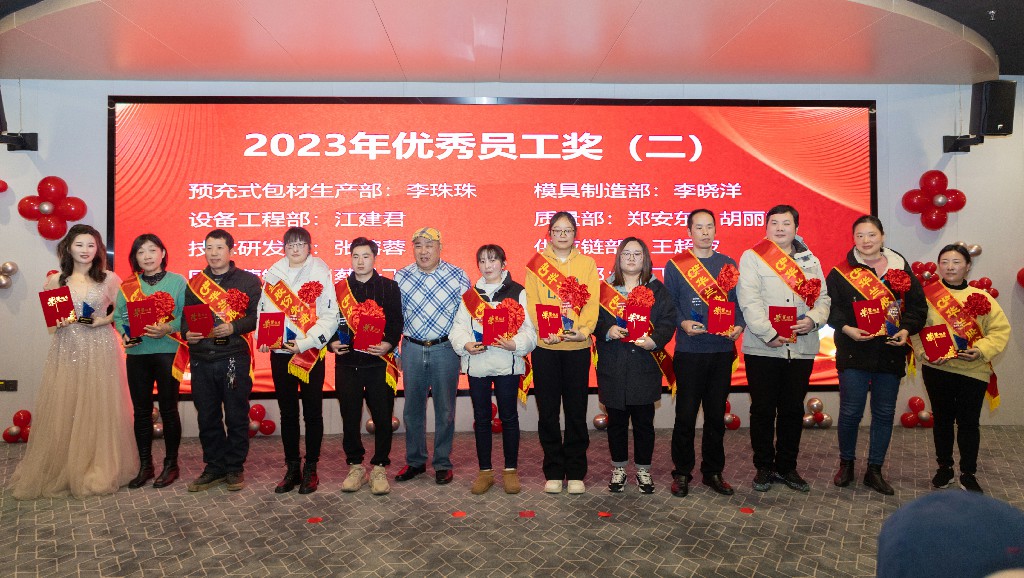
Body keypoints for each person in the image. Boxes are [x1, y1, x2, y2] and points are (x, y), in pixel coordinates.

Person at [10, 224, 138, 499]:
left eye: (91, 245)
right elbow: (54, 319)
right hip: (68, 347)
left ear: (98, 249)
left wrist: (102, 320)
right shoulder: (57, 280)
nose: (85, 250)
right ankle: (65, 468)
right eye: (80, 244)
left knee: (99, 406)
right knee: (66, 405)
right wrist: (58, 321)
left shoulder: (109, 278)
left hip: (101, 346)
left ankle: (99, 465)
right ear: (68, 247)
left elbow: (122, 311)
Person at [825, 216, 927, 495]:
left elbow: (918, 307)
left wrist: (906, 330)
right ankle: (846, 464)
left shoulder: (899, 268)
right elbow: (831, 308)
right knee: (850, 411)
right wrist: (846, 328)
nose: (866, 240)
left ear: (882, 236)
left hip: (889, 350)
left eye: (871, 234)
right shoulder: (840, 273)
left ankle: (875, 469)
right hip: (854, 350)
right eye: (860, 235)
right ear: (853, 239)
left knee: (883, 412)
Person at [737, 204, 830, 493]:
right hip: (763, 348)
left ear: (796, 228)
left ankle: (787, 467)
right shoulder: (752, 257)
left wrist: (813, 320)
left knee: (792, 410)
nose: (780, 228)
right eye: (774, 223)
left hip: (801, 347)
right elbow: (749, 300)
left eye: (786, 223)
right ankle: (764, 467)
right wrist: (768, 333)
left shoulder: (810, 260)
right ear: (766, 227)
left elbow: (823, 299)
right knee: (762, 410)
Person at [910, 244, 1010, 493]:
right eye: (944, 262)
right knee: (942, 420)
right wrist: (924, 354)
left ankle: (968, 472)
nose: (950, 267)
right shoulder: (927, 296)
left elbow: (999, 331)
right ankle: (944, 468)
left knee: (968, 422)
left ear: (968, 266)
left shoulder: (982, 297)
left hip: (973, 370)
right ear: (938, 266)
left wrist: (981, 350)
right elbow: (915, 330)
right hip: (938, 369)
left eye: (956, 262)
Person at [664, 209, 745, 498]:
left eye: (709, 226)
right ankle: (682, 472)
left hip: (721, 350)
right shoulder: (676, 265)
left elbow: (738, 303)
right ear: (689, 232)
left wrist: (739, 326)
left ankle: (713, 471)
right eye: (699, 227)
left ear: (715, 230)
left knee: (715, 417)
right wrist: (682, 323)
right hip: (690, 351)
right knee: (685, 416)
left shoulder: (727, 264)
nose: (705, 232)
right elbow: (670, 304)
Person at [450, 244, 537, 495]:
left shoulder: (518, 292)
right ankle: (485, 471)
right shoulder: (470, 296)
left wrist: (515, 344)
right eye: (483, 261)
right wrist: (466, 344)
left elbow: (530, 330)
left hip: (507, 362)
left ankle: (510, 470)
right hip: (477, 364)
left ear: (503, 263)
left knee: (509, 417)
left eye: (493, 260)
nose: (487, 266)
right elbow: (458, 328)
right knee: (482, 419)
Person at [257, 226, 338, 494]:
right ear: (284, 248)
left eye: (300, 244)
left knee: (313, 412)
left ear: (309, 247)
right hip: (281, 354)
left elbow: (330, 316)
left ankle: (311, 468)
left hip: (309, 353)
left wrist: (305, 342)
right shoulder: (274, 273)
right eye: (290, 244)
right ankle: (292, 467)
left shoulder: (320, 271)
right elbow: (262, 310)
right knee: (288, 413)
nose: (295, 249)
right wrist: (263, 337)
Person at [525, 211, 600, 494]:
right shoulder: (537, 264)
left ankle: (577, 472)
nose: (562, 235)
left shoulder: (587, 264)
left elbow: (592, 302)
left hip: (577, 348)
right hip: (546, 348)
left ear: (575, 234)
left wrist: (584, 330)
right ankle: (554, 471)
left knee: (576, 411)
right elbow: (532, 302)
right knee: (548, 412)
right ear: (549, 234)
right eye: (557, 230)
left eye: (568, 230)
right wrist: (544, 329)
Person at [182, 229, 261, 492]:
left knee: (237, 415)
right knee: (207, 417)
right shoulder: (195, 283)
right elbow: (185, 320)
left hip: (233, 357)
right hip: (202, 358)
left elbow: (256, 317)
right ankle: (214, 467)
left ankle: (235, 467)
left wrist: (234, 327)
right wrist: (186, 333)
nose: (213, 253)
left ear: (231, 250)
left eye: (219, 248)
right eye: (208, 248)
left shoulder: (248, 281)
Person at [594, 238, 676, 494]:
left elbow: (668, 320)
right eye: (626, 253)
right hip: (614, 365)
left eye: (637, 254)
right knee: (616, 423)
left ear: (645, 259)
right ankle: (618, 469)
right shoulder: (604, 289)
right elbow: (592, 320)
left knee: (643, 424)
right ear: (618, 258)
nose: (631, 258)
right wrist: (607, 330)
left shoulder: (657, 290)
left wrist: (655, 340)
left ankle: (643, 470)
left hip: (644, 364)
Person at [394, 227, 470, 485]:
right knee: (412, 410)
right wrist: (396, 350)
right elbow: (395, 317)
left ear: (440, 248)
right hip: (412, 348)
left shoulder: (458, 276)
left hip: (445, 349)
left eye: (429, 245)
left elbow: (467, 318)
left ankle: (442, 462)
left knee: (445, 410)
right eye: (418, 246)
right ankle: (415, 461)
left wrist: (465, 351)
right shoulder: (401, 276)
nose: (423, 251)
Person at [330, 237, 404, 496]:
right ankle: (355, 466)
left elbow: (396, 321)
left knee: (383, 417)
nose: (360, 261)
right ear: (350, 258)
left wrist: (388, 344)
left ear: (374, 257)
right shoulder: (338, 289)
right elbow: (328, 321)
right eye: (355, 256)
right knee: (350, 417)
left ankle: (380, 467)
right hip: (347, 363)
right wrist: (331, 343)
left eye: (365, 256)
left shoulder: (389, 287)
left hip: (378, 363)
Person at [114, 234, 188, 489]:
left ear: (163, 253)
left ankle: (171, 464)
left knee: (169, 410)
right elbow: (118, 316)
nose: (147, 256)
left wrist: (168, 327)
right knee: (142, 411)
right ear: (135, 257)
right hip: (137, 354)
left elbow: (186, 316)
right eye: (141, 252)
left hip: (167, 352)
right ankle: (145, 465)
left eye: (152, 250)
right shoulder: (128, 285)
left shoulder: (177, 282)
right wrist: (124, 333)